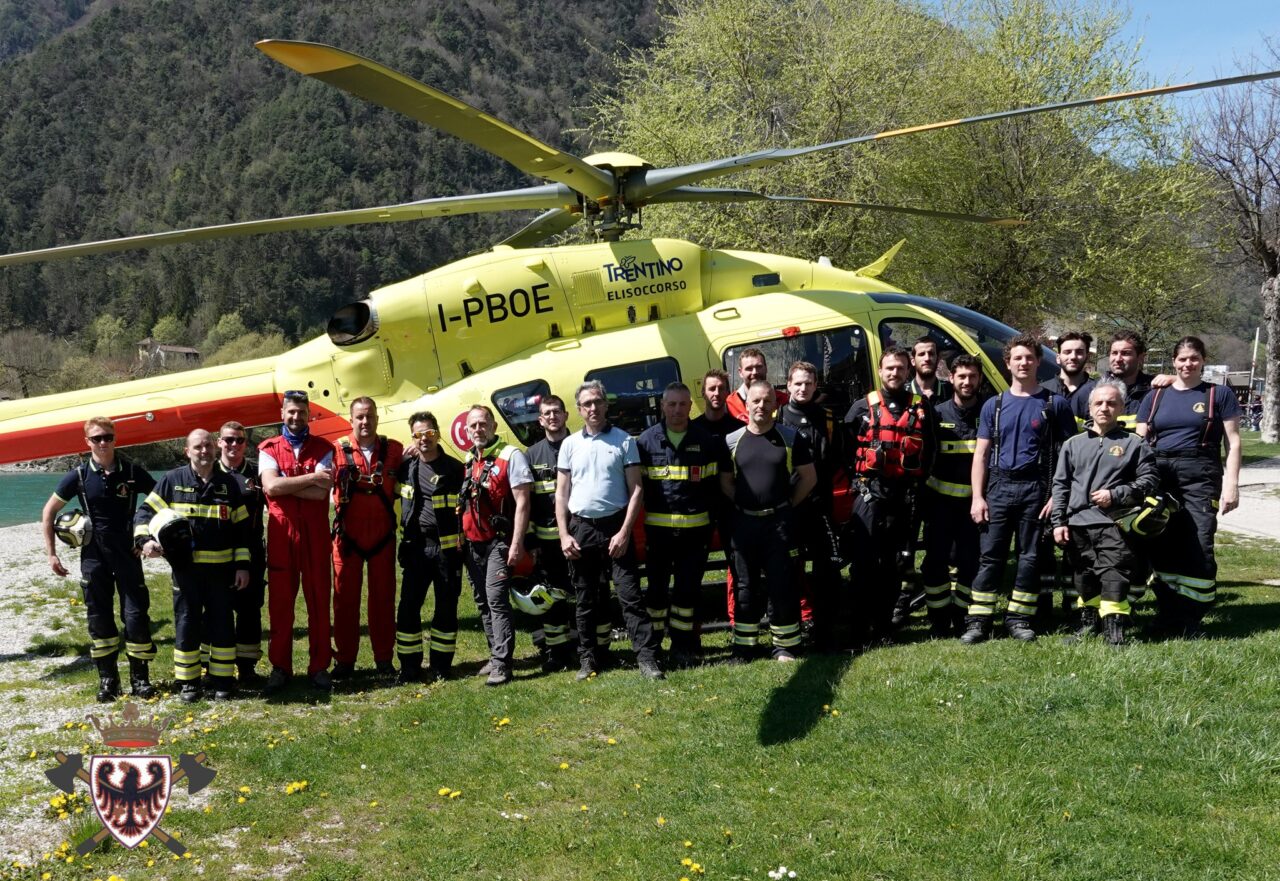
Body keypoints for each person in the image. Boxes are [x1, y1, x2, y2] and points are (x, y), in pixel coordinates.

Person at [963, 334, 1077, 644]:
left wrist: (1057, 496)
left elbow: (1070, 456)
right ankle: (979, 622)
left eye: (1029, 357)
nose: (1023, 362)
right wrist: (978, 497)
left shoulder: (1056, 404)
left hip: (1036, 490)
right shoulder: (994, 405)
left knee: (1030, 558)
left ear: (1039, 362)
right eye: (1018, 358)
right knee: (990, 557)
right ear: (1008, 363)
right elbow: (981, 455)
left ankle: (1019, 619)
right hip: (999, 487)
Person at [42, 417, 158, 702]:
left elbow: (161, 501)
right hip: (93, 555)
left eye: (107, 437)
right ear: (87, 442)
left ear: (115, 438)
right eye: (97, 438)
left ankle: (140, 679)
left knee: (135, 616)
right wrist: (51, 553)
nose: (103, 443)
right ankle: (108, 681)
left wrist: (145, 538)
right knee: (99, 618)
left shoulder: (131, 472)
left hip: (128, 555)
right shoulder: (79, 476)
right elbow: (48, 512)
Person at [556, 381, 664, 680]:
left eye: (597, 402)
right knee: (586, 599)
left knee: (630, 597)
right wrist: (565, 535)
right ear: (578, 409)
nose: (593, 408)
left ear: (606, 404)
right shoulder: (569, 445)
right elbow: (561, 494)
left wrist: (625, 532)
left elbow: (637, 489)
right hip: (581, 529)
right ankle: (588, 660)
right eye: (587, 404)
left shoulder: (624, 441)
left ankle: (647, 660)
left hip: (616, 528)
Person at [1136, 335, 1243, 637]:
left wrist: (1232, 485)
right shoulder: (1155, 396)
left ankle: (1191, 618)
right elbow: (1139, 441)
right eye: (1182, 359)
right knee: (1162, 543)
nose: (1187, 364)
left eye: (1193, 358)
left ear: (1203, 361)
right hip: (1160, 472)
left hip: (1201, 472)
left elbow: (1233, 443)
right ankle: (1168, 613)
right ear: (1174, 361)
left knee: (1199, 543)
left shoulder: (1218, 394)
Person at [136, 429, 251, 702]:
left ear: (215, 448)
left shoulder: (228, 484)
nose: (204, 451)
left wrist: (243, 565)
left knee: (222, 623)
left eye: (208, 445)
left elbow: (242, 531)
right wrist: (144, 540)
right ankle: (189, 683)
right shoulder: (172, 480)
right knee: (187, 623)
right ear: (187, 451)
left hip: (222, 572)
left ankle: (222, 680)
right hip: (185, 571)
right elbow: (144, 512)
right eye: (198, 446)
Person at [1051, 379, 1159, 646]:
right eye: (1098, 403)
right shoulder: (1073, 444)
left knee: (1114, 574)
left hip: (1115, 524)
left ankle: (1115, 631)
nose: (1104, 408)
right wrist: (1058, 522)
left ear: (1121, 407)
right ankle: (1089, 624)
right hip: (1077, 524)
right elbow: (1061, 484)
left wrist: (1116, 495)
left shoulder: (1134, 443)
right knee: (1083, 575)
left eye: (1111, 403)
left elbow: (1149, 480)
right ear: (1089, 408)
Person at [844, 347, 936, 646]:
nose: (894, 373)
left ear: (908, 371)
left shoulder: (922, 408)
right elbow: (844, 451)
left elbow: (931, 450)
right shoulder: (861, 408)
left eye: (899, 368)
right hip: (869, 496)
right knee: (863, 564)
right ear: (880, 371)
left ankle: (884, 627)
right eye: (889, 368)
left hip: (904, 497)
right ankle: (858, 628)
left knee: (895, 564)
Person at [721, 381, 816, 662]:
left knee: (782, 585)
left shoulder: (789, 438)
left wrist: (785, 505)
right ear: (746, 404)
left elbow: (809, 478)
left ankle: (786, 647)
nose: (761, 406)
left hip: (780, 525)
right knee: (745, 587)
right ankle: (745, 649)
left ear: (776, 405)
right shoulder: (731, 441)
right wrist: (744, 503)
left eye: (767, 401)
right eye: (756, 401)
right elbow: (725, 482)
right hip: (745, 526)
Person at [637, 382, 730, 667]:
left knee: (687, 593)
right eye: (671, 404)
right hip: (659, 535)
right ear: (663, 406)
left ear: (691, 406)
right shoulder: (645, 442)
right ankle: (652, 648)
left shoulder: (706, 442)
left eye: (682, 404)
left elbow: (716, 488)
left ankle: (682, 646)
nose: (677, 410)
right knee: (655, 592)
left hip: (695, 535)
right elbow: (637, 489)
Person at [259, 390, 336, 693]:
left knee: (319, 601)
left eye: (301, 412)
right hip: (282, 534)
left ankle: (319, 668)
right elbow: (271, 486)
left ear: (309, 415)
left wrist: (284, 486)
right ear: (282, 414)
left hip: (315, 534)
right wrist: (309, 479)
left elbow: (322, 492)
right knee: (280, 605)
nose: (296, 417)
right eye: (291, 412)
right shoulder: (268, 448)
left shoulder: (324, 448)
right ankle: (280, 668)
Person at [460, 404, 533, 686]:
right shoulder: (470, 458)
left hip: (499, 543)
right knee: (482, 603)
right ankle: (495, 653)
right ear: (467, 431)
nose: (478, 429)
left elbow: (524, 502)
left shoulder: (510, 455)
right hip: (472, 543)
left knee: (496, 601)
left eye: (483, 424)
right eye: (473, 425)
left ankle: (503, 664)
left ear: (493, 426)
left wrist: (517, 544)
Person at [331, 397, 403, 680]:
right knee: (344, 600)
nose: (365, 422)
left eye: (369, 416)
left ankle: (384, 658)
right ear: (351, 419)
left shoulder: (394, 450)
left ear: (377, 418)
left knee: (383, 599)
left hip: (382, 537)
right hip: (347, 539)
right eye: (359, 417)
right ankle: (345, 661)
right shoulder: (336, 450)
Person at [395, 411, 465, 682]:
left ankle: (441, 666)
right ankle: (409, 666)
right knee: (409, 607)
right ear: (412, 437)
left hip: (447, 551)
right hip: (415, 548)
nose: (424, 439)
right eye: (418, 435)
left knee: (446, 608)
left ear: (437, 433)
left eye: (429, 433)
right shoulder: (406, 468)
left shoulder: (455, 470)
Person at [779, 360, 843, 648]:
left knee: (827, 571)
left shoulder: (828, 418)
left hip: (820, 508)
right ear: (788, 385)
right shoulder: (776, 417)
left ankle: (825, 630)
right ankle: (793, 631)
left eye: (808, 383)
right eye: (798, 383)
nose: (803, 388)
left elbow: (839, 458)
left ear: (816, 386)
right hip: (790, 508)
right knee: (790, 571)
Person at [919, 354, 983, 637]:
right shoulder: (937, 413)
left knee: (970, 563)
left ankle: (961, 614)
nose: (967, 381)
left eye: (972, 376)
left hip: (974, 506)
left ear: (979, 379)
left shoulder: (988, 413)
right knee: (935, 562)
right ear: (951, 379)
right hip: (939, 504)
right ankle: (938, 617)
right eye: (962, 376)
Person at [1038, 331, 1094, 621]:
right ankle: (1045, 603)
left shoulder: (1099, 393)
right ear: (1057, 356)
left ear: (1087, 356)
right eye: (1068, 352)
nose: (1074, 356)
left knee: (1078, 548)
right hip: (1049, 480)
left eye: (1080, 351)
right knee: (1045, 548)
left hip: (1086, 482)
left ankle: (1076, 606)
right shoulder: (1043, 391)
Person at [523, 395, 576, 672]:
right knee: (553, 597)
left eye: (557, 411)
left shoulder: (581, 446)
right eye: (547, 413)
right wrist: (531, 541)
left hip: (580, 537)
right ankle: (557, 652)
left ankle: (587, 647)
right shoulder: (531, 456)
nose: (553, 417)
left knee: (588, 593)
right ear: (540, 420)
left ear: (566, 415)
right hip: (548, 542)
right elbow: (527, 504)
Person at [217, 421, 266, 686]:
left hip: (253, 551)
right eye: (228, 440)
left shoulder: (259, 474)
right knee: (218, 611)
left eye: (239, 440)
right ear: (219, 442)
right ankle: (219, 669)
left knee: (250, 611)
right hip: (218, 554)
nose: (233, 445)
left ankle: (247, 668)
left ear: (246, 444)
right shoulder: (208, 472)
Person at [725, 348, 789, 423]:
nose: (755, 372)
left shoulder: (783, 400)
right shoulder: (730, 403)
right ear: (740, 372)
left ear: (766, 368)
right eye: (749, 368)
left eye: (759, 367)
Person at [692, 368, 738, 439]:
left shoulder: (738, 428)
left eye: (721, 388)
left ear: (727, 393)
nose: (717, 393)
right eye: (712, 389)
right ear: (703, 393)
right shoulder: (692, 428)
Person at [908, 336, 953, 402]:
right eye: (921, 354)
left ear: (938, 359)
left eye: (931, 354)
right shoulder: (902, 392)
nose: (927, 358)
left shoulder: (951, 392)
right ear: (913, 361)